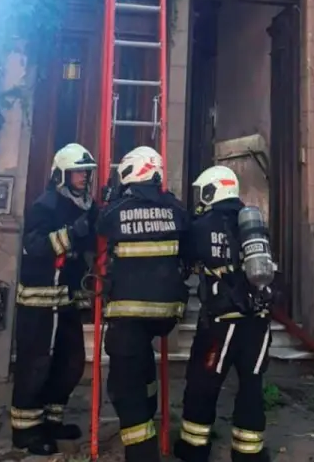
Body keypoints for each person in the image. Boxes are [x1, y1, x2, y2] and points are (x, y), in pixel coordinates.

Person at [97, 145, 190, 462]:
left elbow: (100, 225)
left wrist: (111, 198)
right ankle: (150, 410)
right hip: (166, 315)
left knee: (124, 385)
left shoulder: (117, 209)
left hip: (128, 313)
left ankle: (142, 452)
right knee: (142, 362)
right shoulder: (175, 208)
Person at [174, 165, 272, 462]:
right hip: (258, 319)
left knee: (203, 383)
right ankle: (249, 454)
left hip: (221, 322)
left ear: (211, 191)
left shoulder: (202, 225)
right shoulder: (253, 223)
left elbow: (184, 258)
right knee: (251, 386)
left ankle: (193, 449)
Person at [11, 143, 98, 455]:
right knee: (36, 365)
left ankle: (51, 420)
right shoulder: (45, 205)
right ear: (62, 174)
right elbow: (34, 246)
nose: (84, 177)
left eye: (86, 172)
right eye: (77, 172)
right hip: (40, 301)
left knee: (70, 363)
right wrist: (72, 234)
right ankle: (25, 431)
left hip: (67, 300)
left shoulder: (83, 205)